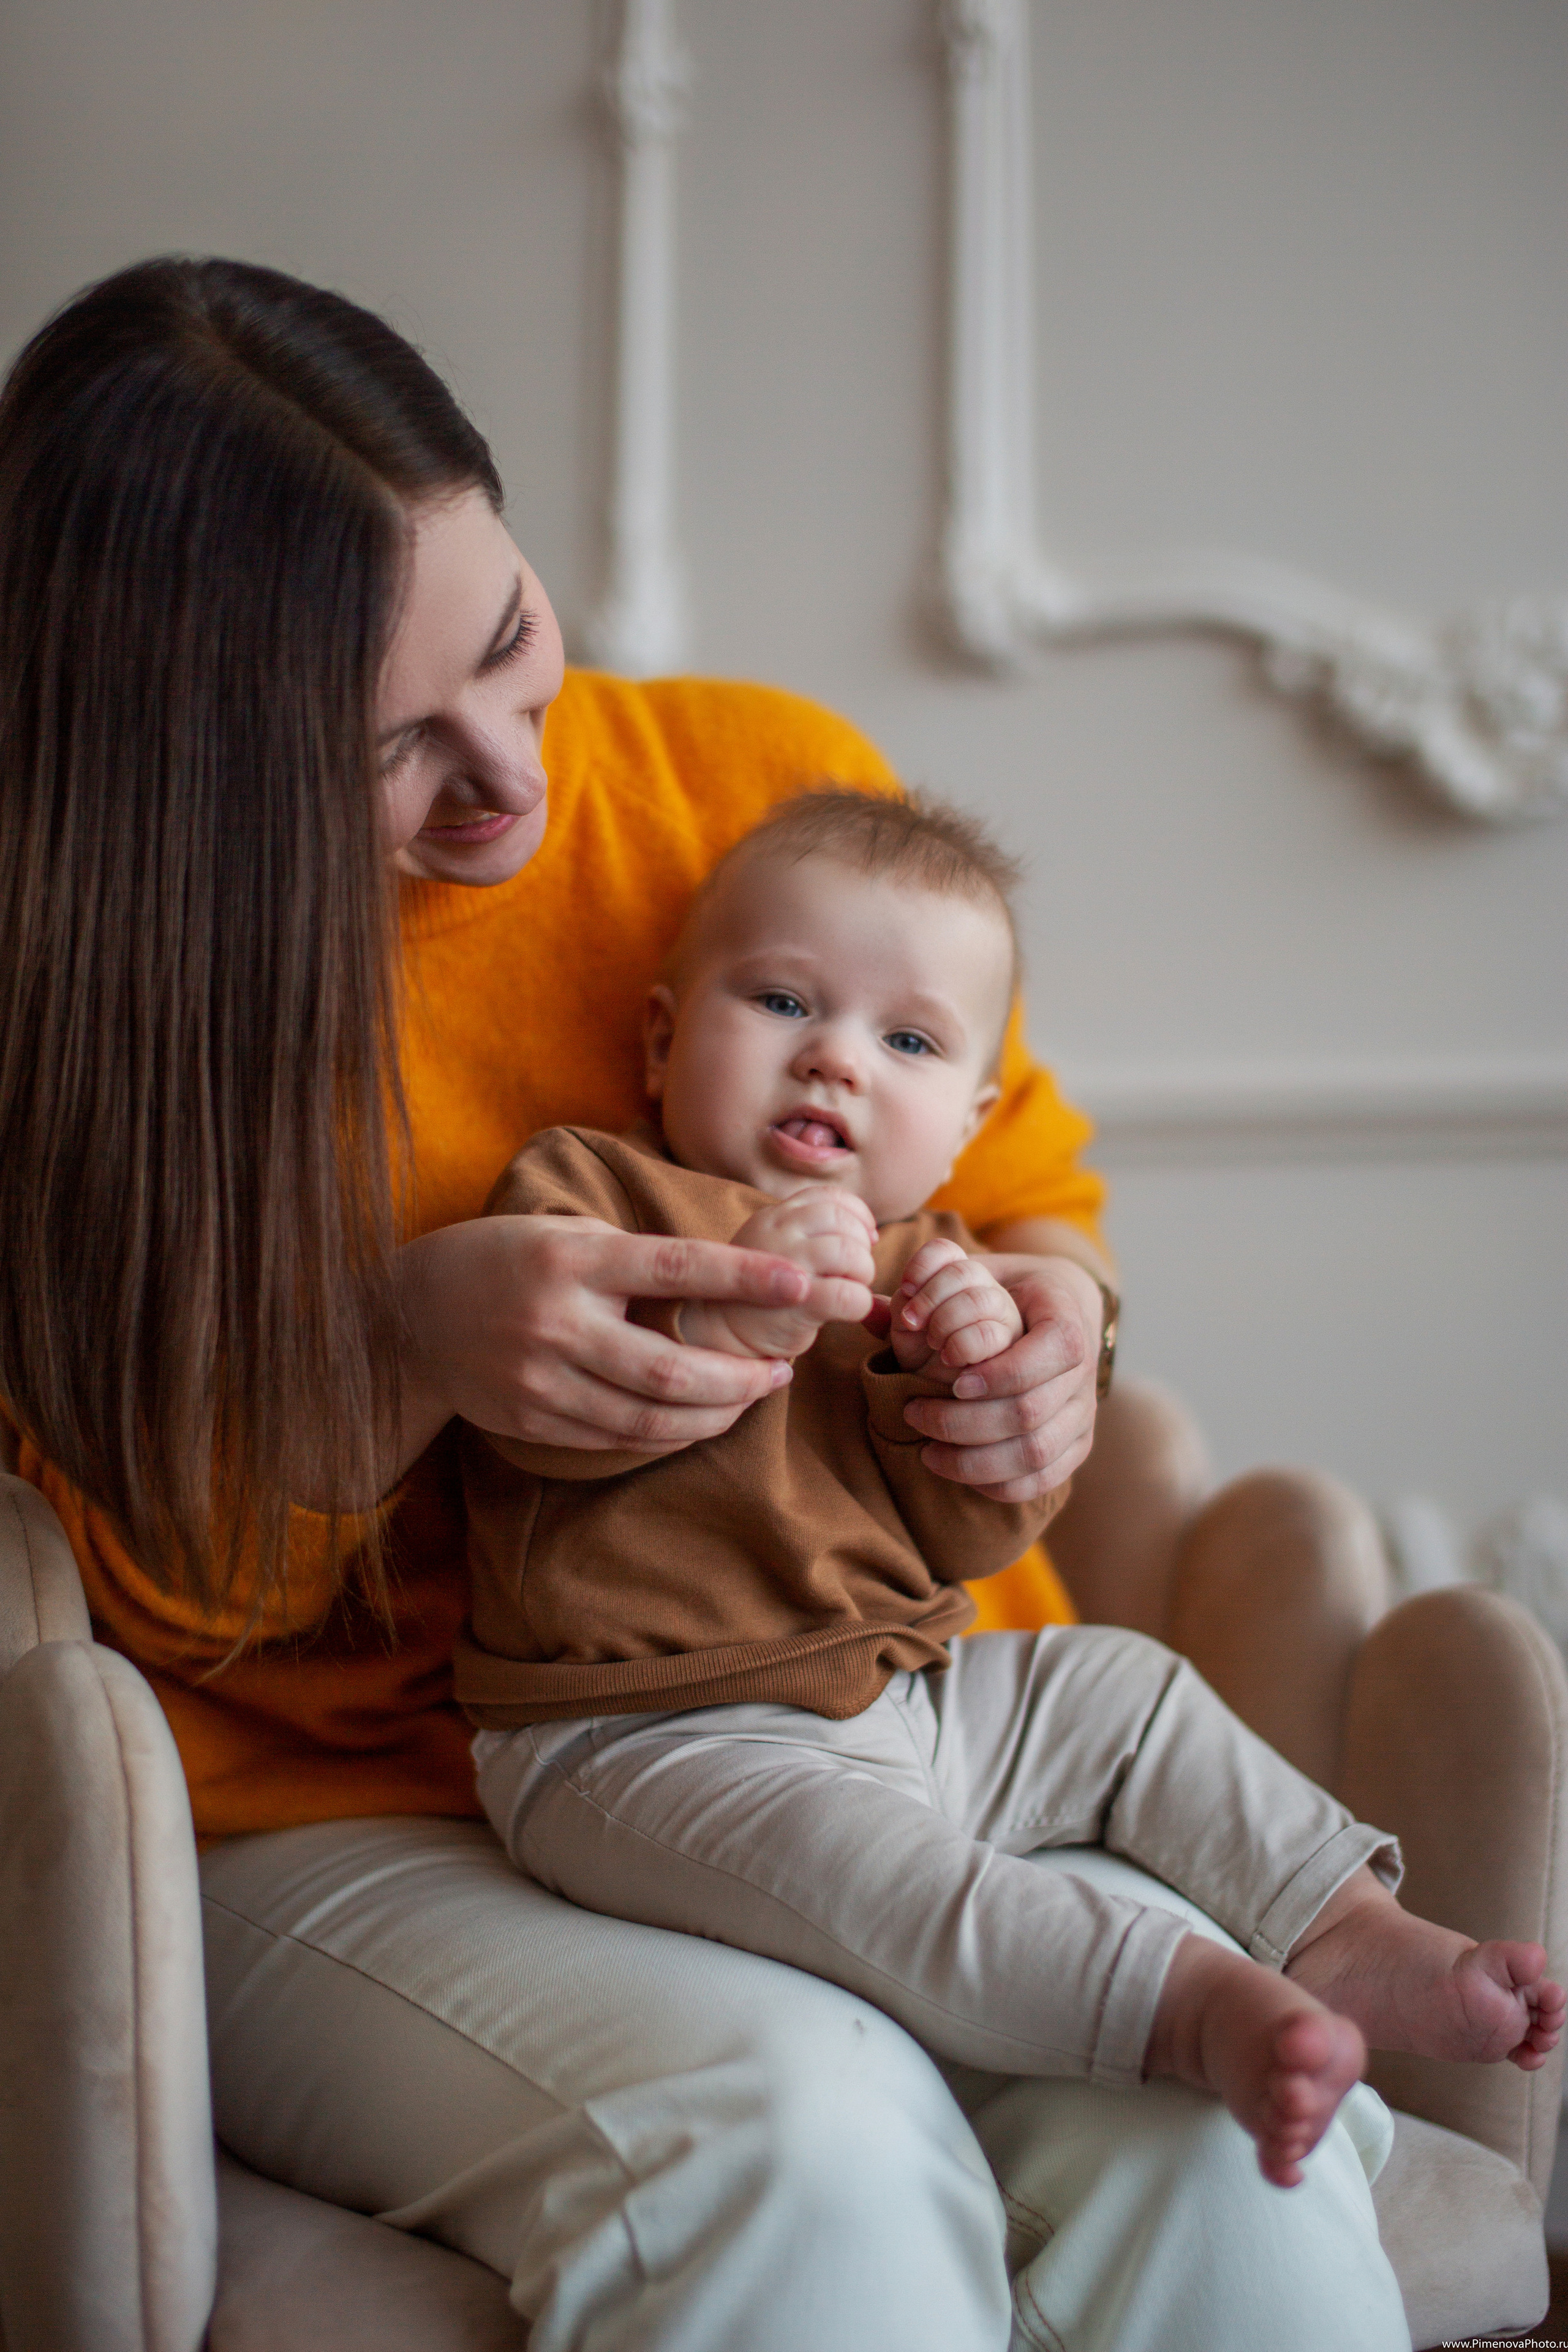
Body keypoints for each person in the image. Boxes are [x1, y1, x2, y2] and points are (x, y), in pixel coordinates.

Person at [0, 254, 1419, 2350]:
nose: (510, 779)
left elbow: (1035, 1194)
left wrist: (1043, 1345)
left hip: (900, 1725)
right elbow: (154, 1592)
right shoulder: (87, 1011)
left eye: (513, 645)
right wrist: (400, 1350)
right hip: (345, 1818)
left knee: (1218, 2124)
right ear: (180, 774)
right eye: (391, 752)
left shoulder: (751, 789)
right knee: (804, 2132)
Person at [459, 785, 1562, 2192]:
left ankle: (1338, 1925)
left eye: (904, 1039)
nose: (835, 1065)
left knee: (1118, 1685)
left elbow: (970, 1534)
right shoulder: (590, 1193)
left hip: (899, 1702)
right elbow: (538, 1427)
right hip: (635, 1738)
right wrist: (744, 1300)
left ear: (969, 1119)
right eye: (783, 1004)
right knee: (908, 1887)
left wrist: (978, 1406)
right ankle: (1179, 2007)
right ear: (667, 1036)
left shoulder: (939, 1261)